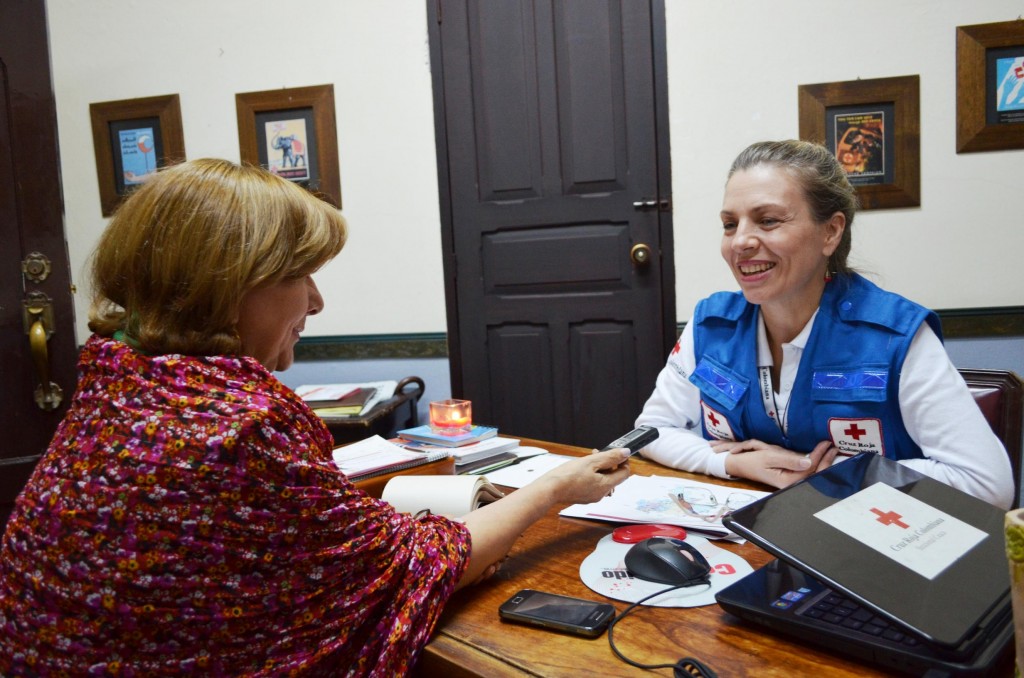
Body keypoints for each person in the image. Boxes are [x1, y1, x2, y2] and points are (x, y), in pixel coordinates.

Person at [0, 158, 631, 675]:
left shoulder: (116, 381)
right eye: (301, 274)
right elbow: (416, 566)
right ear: (229, 284)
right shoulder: (239, 425)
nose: (318, 302)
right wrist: (559, 486)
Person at [634, 140, 1013, 509]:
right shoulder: (710, 325)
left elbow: (986, 484)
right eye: (730, 224)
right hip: (750, 543)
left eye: (767, 220)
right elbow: (650, 431)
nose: (741, 241)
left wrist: (829, 471)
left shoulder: (894, 335)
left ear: (830, 232)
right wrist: (730, 462)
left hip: (871, 552)